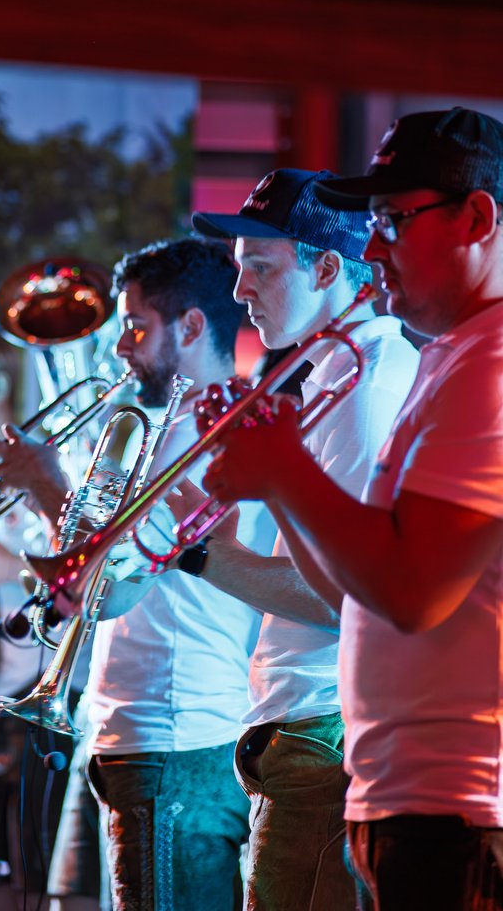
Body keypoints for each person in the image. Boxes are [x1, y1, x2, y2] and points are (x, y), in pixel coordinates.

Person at [202, 109, 503, 911]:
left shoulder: (487, 365)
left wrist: (283, 473)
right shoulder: (451, 358)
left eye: (392, 221)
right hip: (404, 788)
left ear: (476, 219)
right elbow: (358, 582)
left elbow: (409, 593)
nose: (371, 249)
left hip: (459, 805)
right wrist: (279, 481)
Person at [0, 237, 278, 911]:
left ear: (192, 326)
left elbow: (109, 589)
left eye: (136, 327)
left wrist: (47, 483)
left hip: (175, 739)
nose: (120, 347)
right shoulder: (168, 427)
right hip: (135, 732)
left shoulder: (210, 441)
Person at [178, 168, 420, 910]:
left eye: (260, 265)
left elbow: (345, 597)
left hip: (324, 731)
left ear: (325, 269)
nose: (240, 289)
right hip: (302, 728)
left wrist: (200, 553)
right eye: (238, 266)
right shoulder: (330, 375)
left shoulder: (366, 385)